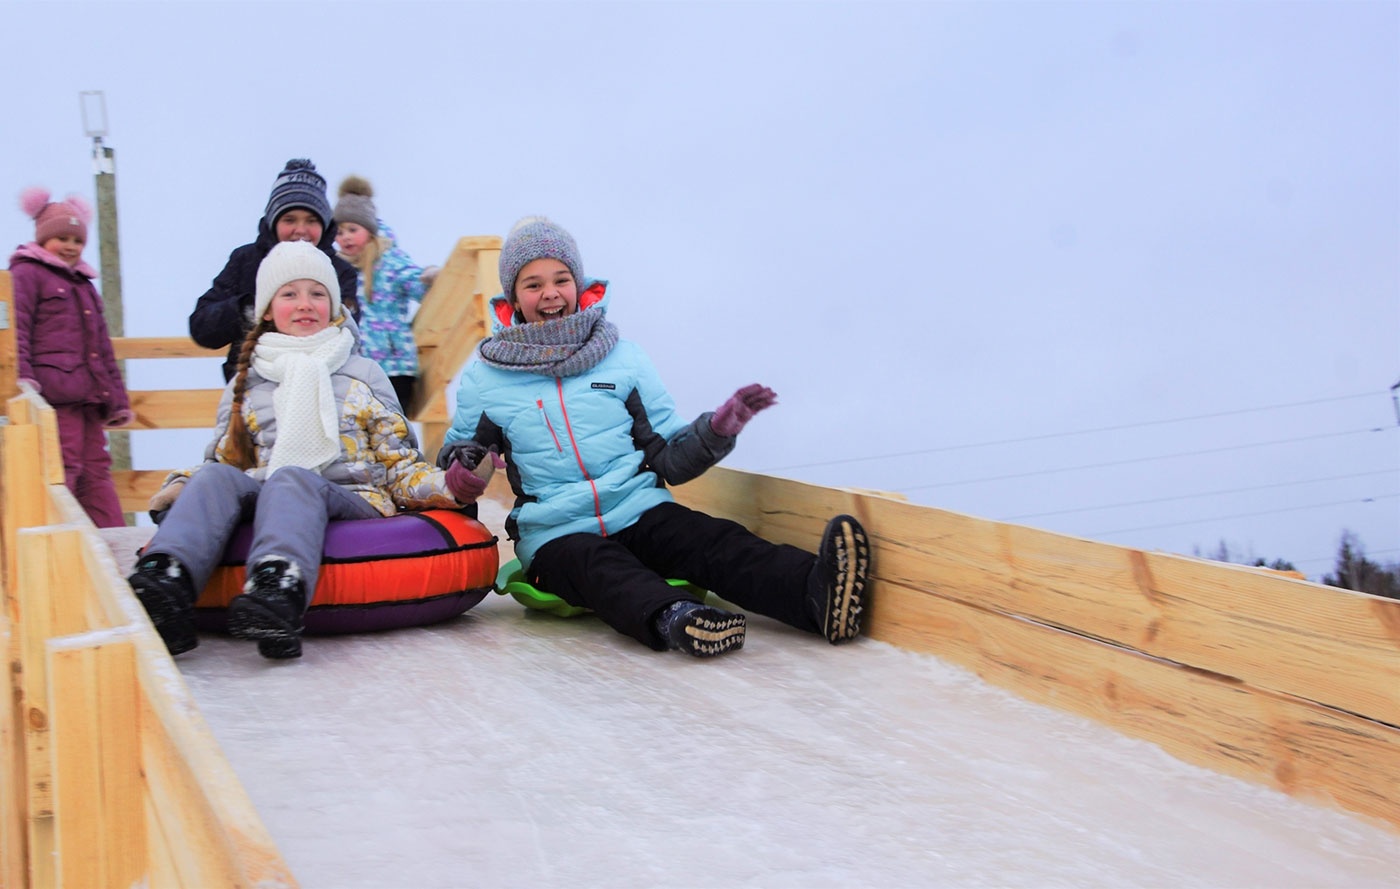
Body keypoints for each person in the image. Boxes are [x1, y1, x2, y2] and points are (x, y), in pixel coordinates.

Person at [440, 216, 871, 658]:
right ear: (512, 298)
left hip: (636, 508)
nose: (550, 293)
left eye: (561, 279)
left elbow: (668, 458)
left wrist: (719, 428)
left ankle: (814, 593)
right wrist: (466, 471)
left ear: (579, 284)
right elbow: (457, 454)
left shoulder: (622, 358)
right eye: (533, 284)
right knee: (599, 567)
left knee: (709, 539)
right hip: (555, 533)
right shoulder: (488, 377)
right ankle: (677, 618)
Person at [129, 241, 487, 660]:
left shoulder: (363, 374)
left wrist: (452, 485)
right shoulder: (247, 383)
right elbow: (224, 465)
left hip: (352, 501)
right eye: (290, 294)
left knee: (293, 477)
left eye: (317, 293)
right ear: (267, 310)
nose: (305, 304)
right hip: (269, 496)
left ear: (334, 305)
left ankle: (277, 589)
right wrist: (183, 488)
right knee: (215, 478)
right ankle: (167, 584)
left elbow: (399, 467)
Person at [10, 187, 132, 527]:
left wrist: (116, 398)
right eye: (61, 238)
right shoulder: (27, 273)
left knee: (97, 469)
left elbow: (102, 349)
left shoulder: (84, 286)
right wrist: (24, 379)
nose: (70, 247)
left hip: (88, 399)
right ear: (42, 237)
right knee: (63, 466)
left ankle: (112, 542)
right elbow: (17, 328)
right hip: (53, 395)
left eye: (77, 241)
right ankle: (64, 540)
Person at [189, 158, 361, 382]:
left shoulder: (340, 272)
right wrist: (250, 308)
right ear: (273, 222)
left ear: (325, 225)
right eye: (289, 219)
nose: (301, 229)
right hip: (253, 388)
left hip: (324, 384)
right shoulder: (245, 261)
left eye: (311, 220)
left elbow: (350, 335)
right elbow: (202, 328)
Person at [332, 175, 438, 411]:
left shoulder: (390, 259)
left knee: (392, 429)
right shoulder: (337, 267)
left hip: (394, 366)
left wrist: (429, 277)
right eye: (339, 232)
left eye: (352, 229)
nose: (345, 237)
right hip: (354, 367)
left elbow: (416, 285)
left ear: (369, 231)